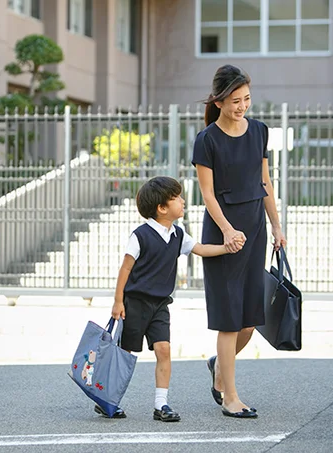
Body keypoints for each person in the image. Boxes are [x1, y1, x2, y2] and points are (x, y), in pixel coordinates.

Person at [97, 176, 243, 422]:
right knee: (125, 353)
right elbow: (125, 269)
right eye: (177, 198)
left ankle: (161, 405)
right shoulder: (140, 236)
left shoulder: (178, 234)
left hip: (160, 304)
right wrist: (118, 301)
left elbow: (201, 249)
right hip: (135, 303)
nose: (183, 201)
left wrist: (227, 247)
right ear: (162, 208)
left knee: (163, 350)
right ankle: (107, 400)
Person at [191, 64, 287, 419]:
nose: (242, 106)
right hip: (223, 234)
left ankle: (219, 366)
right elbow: (208, 195)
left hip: (255, 231)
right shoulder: (207, 140)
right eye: (234, 100)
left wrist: (276, 225)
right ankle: (230, 397)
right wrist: (228, 230)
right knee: (229, 320)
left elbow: (265, 182)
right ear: (218, 101)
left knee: (249, 321)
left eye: (246, 99)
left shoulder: (260, 131)